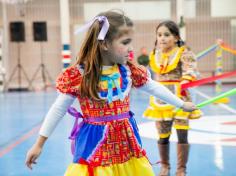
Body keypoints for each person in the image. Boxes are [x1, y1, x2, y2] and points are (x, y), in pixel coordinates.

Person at [25, 12, 197, 176]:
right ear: (105, 44)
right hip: (94, 142)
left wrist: (181, 104)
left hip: (126, 141)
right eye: (125, 43)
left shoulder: (129, 71)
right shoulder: (79, 76)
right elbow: (58, 109)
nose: (131, 48)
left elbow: (153, 87)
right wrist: (39, 144)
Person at [143, 20, 202, 176]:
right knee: (163, 135)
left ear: (176, 37)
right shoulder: (155, 54)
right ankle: (165, 166)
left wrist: (186, 79)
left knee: (182, 134)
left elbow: (190, 69)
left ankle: (181, 169)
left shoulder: (184, 52)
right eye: (159, 35)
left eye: (166, 35)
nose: (162, 38)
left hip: (181, 99)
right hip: (160, 100)